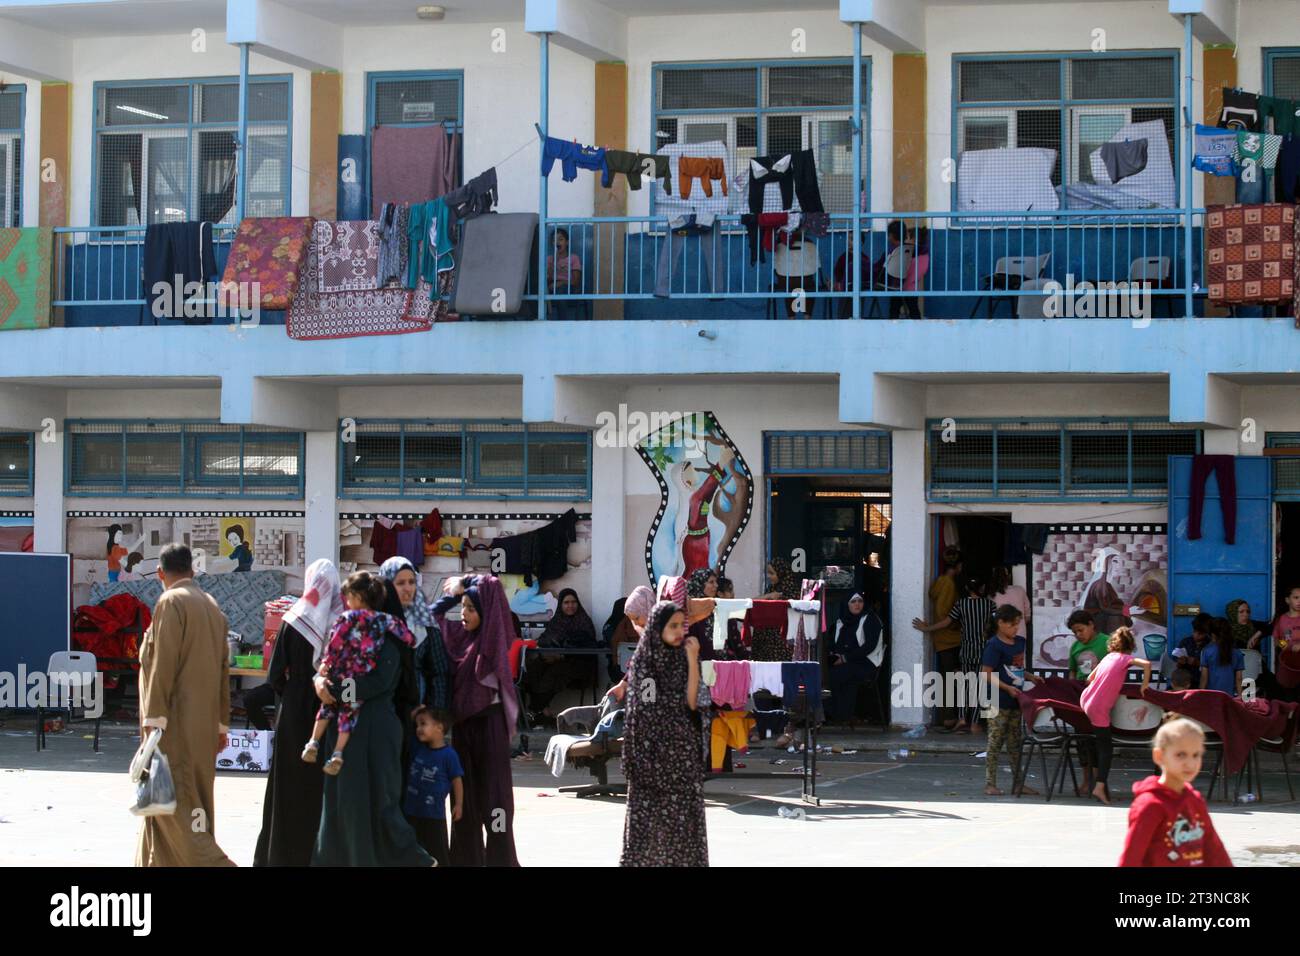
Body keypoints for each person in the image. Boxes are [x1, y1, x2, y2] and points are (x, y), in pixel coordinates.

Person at [135, 543, 235, 867]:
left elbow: (163, 662)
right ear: (192, 570)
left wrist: (154, 720)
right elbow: (224, 671)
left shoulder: (171, 601)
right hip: (204, 726)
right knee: (171, 803)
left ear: (160, 574)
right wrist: (221, 724)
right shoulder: (211, 605)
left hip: (174, 725)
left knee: (176, 806)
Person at [253, 559, 338, 866]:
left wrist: (290, 691)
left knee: (288, 785)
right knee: (320, 786)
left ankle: (279, 856)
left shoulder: (294, 618)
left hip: (293, 708)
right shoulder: (339, 622)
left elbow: (274, 675)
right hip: (327, 710)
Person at [431, 575, 521, 867]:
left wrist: (466, 582)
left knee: (495, 800)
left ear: (486, 613)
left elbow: (493, 587)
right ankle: (465, 860)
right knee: (462, 801)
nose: (464, 614)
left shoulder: (491, 641)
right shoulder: (456, 637)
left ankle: (500, 860)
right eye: (463, 608)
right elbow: (433, 614)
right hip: (463, 728)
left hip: (490, 725)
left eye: (471, 608)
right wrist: (457, 596)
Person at [621, 600, 708, 867]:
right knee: (646, 832)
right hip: (651, 760)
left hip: (682, 759)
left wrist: (693, 661)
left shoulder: (685, 656)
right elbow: (646, 710)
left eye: (682, 625)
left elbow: (693, 703)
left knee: (683, 829)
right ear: (658, 628)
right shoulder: (645, 662)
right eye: (672, 626)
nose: (680, 631)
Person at [302, 571, 414, 775]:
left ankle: (313, 742)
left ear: (358, 597)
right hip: (357, 677)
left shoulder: (345, 618)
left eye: (349, 597)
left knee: (327, 706)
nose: (346, 601)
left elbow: (334, 644)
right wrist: (410, 641)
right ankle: (338, 753)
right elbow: (406, 634)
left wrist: (325, 665)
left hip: (341, 675)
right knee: (348, 711)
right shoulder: (385, 620)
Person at [1119, 718, 1232, 867]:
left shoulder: (1195, 800)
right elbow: (1131, 857)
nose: (1190, 763)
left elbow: (1213, 848)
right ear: (1159, 756)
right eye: (1181, 755)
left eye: (1196, 755)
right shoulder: (1150, 805)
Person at [1081, 627, 1152, 805]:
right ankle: (1099, 786)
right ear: (1130, 645)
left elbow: (1089, 678)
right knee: (1106, 748)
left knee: (1099, 742)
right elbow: (1147, 664)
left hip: (1087, 700)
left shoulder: (1108, 657)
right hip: (1099, 707)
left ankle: (1099, 785)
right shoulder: (1125, 659)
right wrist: (1144, 685)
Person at [915, 574, 992, 732]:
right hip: (983, 652)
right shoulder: (989, 605)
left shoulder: (961, 604)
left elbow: (946, 622)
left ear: (966, 589)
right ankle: (975, 722)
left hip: (966, 652)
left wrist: (926, 628)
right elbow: (996, 625)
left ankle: (962, 719)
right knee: (979, 687)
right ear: (982, 588)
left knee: (965, 686)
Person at [378, 556, 452, 713]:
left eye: (411, 582)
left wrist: (435, 714)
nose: (408, 588)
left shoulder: (425, 623)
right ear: (386, 585)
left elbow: (439, 673)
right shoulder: (372, 622)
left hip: (416, 715)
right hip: (380, 714)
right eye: (400, 583)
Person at [980, 604, 1040, 796]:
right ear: (1000, 623)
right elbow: (986, 674)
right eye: (1012, 625)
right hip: (995, 701)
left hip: (1015, 702)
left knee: (1015, 744)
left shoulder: (1020, 643)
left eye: (1017, 625)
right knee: (994, 742)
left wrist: (1030, 677)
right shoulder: (993, 645)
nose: (1016, 628)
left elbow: (1016, 668)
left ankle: (1018, 783)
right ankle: (990, 783)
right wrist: (1007, 688)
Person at [525, 587, 598, 725]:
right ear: (561, 605)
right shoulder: (556, 622)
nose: (570, 605)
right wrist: (550, 655)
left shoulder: (583, 621)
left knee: (554, 673)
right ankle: (543, 711)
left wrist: (563, 656)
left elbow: (587, 646)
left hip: (579, 665)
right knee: (534, 668)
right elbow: (544, 640)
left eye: (573, 602)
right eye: (566, 602)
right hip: (553, 661)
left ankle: (534, 710)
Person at [403, 707, 464, 867]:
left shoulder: (449, 755)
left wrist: (458, 804)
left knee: (439, 853)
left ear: (439, 727)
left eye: (423, 724)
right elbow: (408, 721)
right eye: (417, 725)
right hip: (411, 812)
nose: (419, 729)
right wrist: (417, 710)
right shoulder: (418, 747)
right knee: (412, 851)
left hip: (434, 816)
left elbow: (457, 779)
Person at [921, 547, 963, 731]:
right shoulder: (949, 584)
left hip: (943, 639)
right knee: (953, 679)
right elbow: (944, 613)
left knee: (949, 679)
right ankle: (950, 717)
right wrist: (957, 624)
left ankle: (950, 717)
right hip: (950, 638)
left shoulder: (941, 582)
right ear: (958, 566)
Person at [827, 593, 884, 726]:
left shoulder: (870, 619)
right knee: (823, 673)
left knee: (837, 675)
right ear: (847, 604)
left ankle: (839, 715)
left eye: (860, 601)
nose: (857, 604)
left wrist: (845, 658)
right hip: (845, 663)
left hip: (866, 663)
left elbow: (869, 646)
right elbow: (833, 645)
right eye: (853, 601)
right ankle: (838, 715)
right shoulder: (840, 623)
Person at [752, 558, 799, 662]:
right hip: (766, 642)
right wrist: (768, 596)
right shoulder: (772, 590)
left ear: (781, 573)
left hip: (780, 642)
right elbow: (752, 602)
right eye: (768, 573)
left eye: (772, 573)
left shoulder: (790, 591)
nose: (769, 576)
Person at [1199, 617, 1245, 697]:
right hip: (1229, 697)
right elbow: (1239, 679)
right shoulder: (1237, 653)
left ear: (1212, 634)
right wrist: (1240, 697)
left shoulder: (1207, 651)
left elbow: (1204, 678)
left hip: (1212, 697)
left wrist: (1199, 695)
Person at [546, 227, 584, 320]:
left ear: (567, 242)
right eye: (554, 240)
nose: (557, 242)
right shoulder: (549, 259)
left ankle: (562, 321)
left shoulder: (574, 258)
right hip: (552, 288)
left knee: (561, 291)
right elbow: (547, 280)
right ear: (552, 243)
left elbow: (576, 281)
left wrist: (561, 283)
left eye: (561, 239)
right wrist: (553, 263)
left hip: (569, 288)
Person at [1066, 609, 1110, 679]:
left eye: (1081, 630)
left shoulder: (1108, 642)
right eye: (1075, 632)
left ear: (1091, 624)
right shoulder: (1075, 646)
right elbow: (1073, 671)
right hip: (1080, 687)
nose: (1078, 635)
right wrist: (1073, 684)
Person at [989, 566, 1029, 638]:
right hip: (1020, 634)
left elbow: (992, 619)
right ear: (1009, 577)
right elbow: (1027, 616)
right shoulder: (1020, 590)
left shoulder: (991, 595)